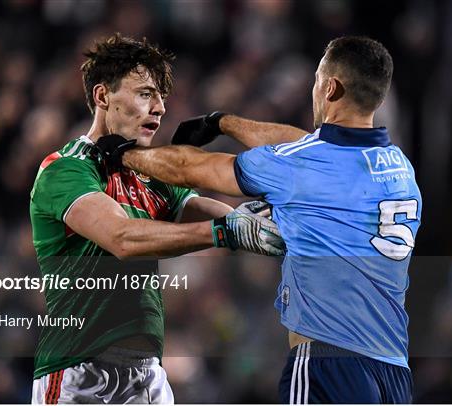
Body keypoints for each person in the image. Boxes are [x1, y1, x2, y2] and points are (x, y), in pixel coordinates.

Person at [120, 36, 421, 403]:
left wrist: (125, 156)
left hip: (327, 362)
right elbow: (304, 145)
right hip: (392, 369)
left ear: (330, 87)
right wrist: (223, 123)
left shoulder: (305, 165)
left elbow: (189, 168)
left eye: (316, 79)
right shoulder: (399, 167)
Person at [29, 33, 284, 404]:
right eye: (146, 94)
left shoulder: (152, 178)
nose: (161, 107)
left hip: (147, 375)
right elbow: (122, 239)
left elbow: (233, 220)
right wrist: (225, 232)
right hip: (79, 372)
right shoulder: (64, 170)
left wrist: (267, 218)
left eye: (162, 96)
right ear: (103, 97)